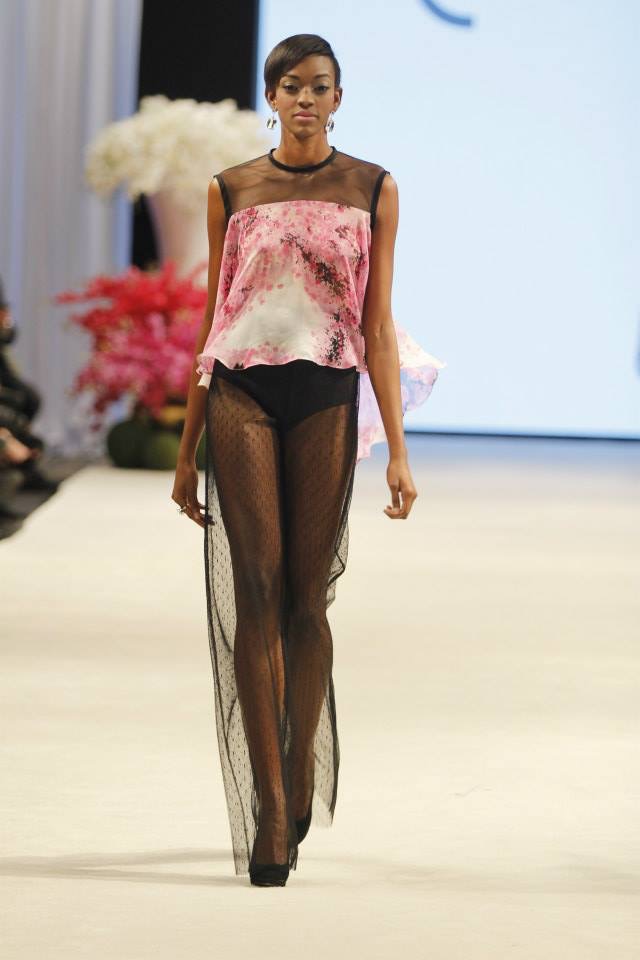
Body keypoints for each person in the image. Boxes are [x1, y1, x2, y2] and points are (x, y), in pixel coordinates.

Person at [171, 33, 445, 887]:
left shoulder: (371, 187)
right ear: (271, 96)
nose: (304, 99)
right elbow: (214, 322)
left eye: (319, 86)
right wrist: (185, 451)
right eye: (290, 85)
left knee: (306, 597)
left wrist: (398, 451)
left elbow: (376, 325)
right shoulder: (233, 189)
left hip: (326, 393)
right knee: (256, 590)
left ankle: (296, 759)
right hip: (242, 393)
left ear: (338, 98)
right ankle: (268, 805)